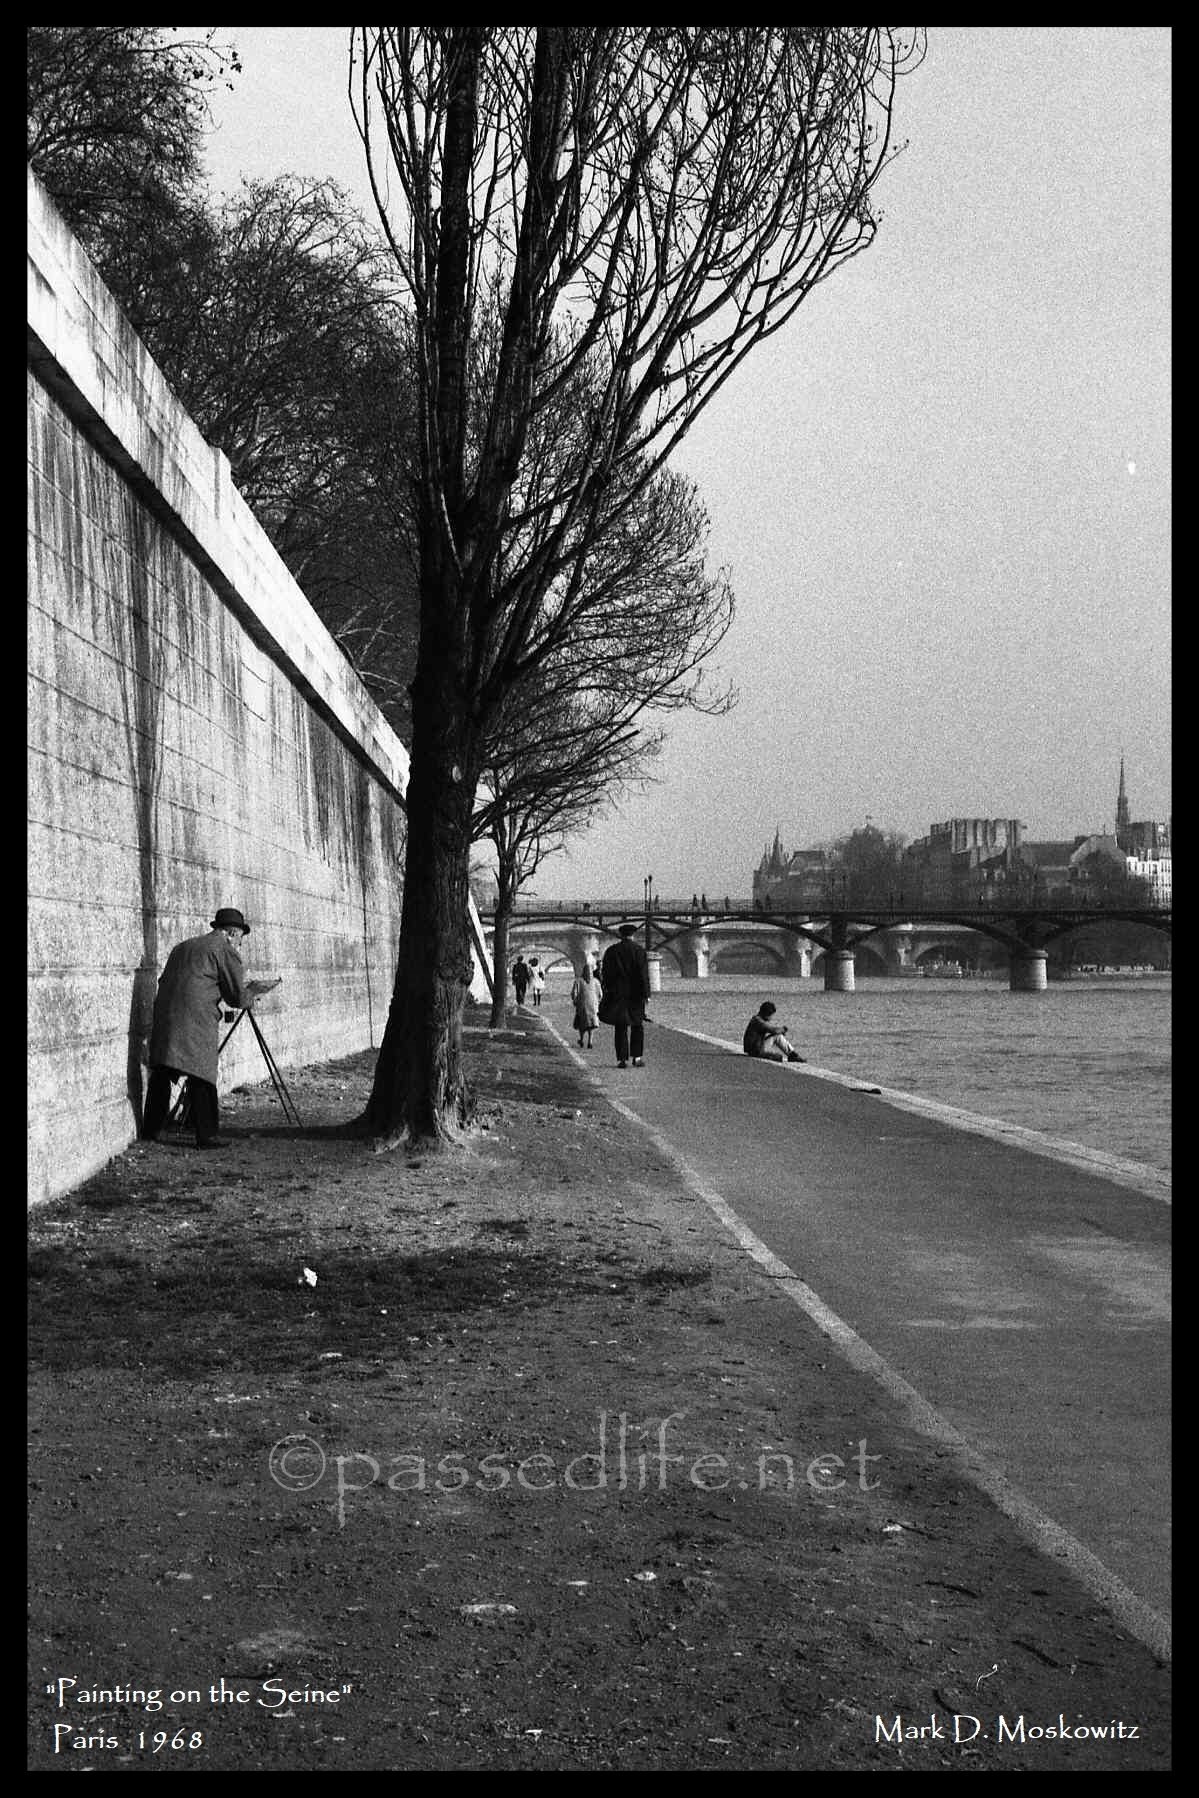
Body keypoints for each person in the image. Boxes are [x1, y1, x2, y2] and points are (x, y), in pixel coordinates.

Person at [141, 907, 278, 1149]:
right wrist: (252, 995)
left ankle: (151, 1129)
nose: (239, 944)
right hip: (196, 1020)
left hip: (166, 1015)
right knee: (202, 1074)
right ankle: (206, 1135)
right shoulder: (224, 950)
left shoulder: (183, 947)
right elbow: (236, 996)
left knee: (163, 1071)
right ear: (232, 933)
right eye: (240, 938)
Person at [599, 923, 652, 1068]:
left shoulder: (611, 951)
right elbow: (643, 975)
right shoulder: (639, 951)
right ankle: (637, 1057)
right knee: (637, 1025)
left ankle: (622, 1059)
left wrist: (608, 990)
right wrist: (646, 994)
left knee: (620, 1026)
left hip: (617, 994)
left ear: (621, 935)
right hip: (636, 994)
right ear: (633, 935)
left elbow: (606, 974)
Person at [570, 960, 601, 1048]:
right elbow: (600, 994)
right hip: (593, 1006)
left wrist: (575, 1002)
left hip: (582, 1006)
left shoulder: (578, 981)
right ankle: (590, 1041)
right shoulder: (596, 981)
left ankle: (582, 1039)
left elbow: (574, 994)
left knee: (582, 1024)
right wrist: (597, 1002)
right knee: (591, 1024)